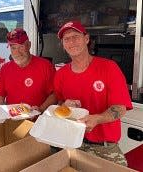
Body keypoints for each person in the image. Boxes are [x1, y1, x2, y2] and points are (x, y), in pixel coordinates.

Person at [54, 21, 133, 166]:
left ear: (86, 39)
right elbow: (59, 104)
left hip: (104, 148)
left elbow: (120, 108)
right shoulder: (61, 74)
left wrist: (97, 119)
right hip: (73, 143)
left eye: (75, 36)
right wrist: (65, 106)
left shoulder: (109, 68)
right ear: (63, 45)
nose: (71, 41)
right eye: (66, 39)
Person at [0, 28, 56, 112]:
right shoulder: (5, 69)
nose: (17, 52)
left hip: (38, 119)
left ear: (29, 45)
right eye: (13, 48)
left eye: (21, 46)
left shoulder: (45, 66)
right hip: (13, 119)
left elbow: (55, 95)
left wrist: (40, 109)